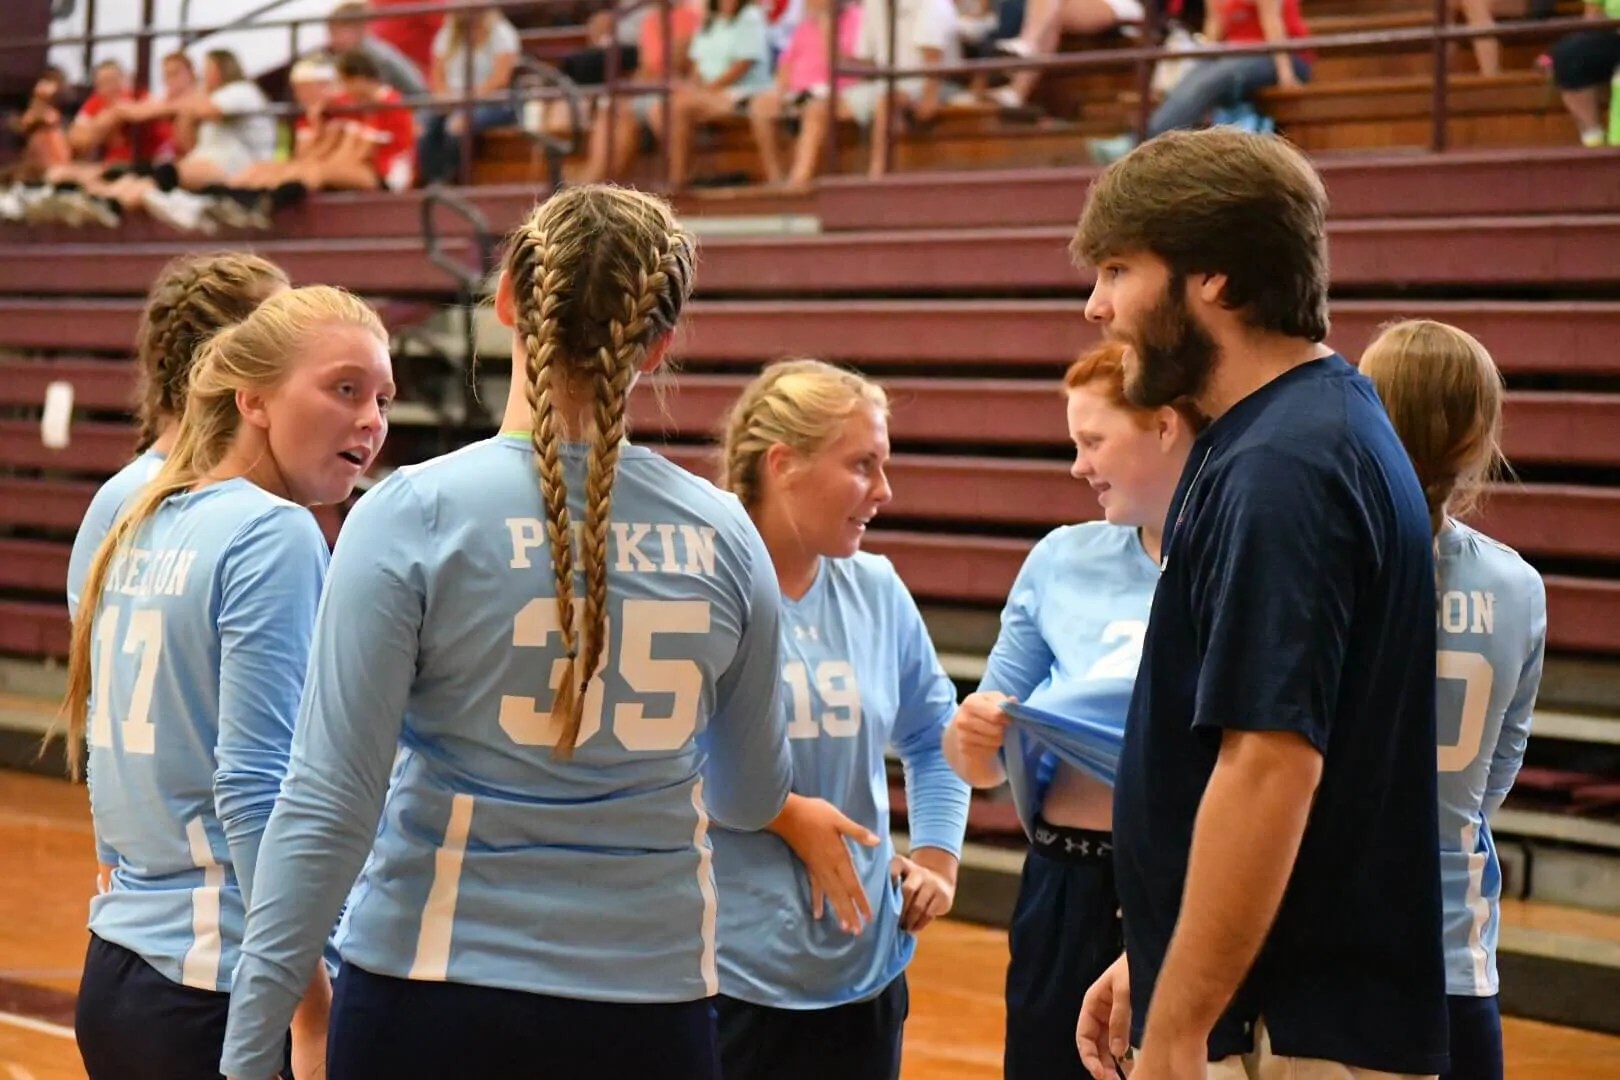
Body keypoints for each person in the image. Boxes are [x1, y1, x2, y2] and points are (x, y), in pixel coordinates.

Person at [220, 185, 793, 1080]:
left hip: (431, 989)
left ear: (509, 304)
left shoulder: (411, 513)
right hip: (650, 1009)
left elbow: (329, 804)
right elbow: (751, 799)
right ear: (660, 344)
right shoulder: (726, 535)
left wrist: (249, 1053)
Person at [1070, 127, 1448, 1080]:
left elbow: (1269, 768)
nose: (1097, 305)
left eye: (1119, 269)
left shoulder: (1285, 467)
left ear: (1219, 281)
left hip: (1290, 1034)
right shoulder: (1296, 432)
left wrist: (1180, 1026)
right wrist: (1159, 954)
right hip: (1274, 1006)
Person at [59, 285, 395, 1080]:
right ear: (253, 398)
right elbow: (254, 790)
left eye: (382, 397)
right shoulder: (270, 531)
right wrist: (307, 1002)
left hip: (120, 963)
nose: (371, 420)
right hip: (223, 980)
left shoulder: (148, 513)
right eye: (344, 389)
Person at [942, 339, 1199, 1079]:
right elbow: (980, 763)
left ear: (1164, 425)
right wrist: (973, 733)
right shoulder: (1061, 558)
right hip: (1063, 880)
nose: (1079, 465)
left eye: (1093, 441)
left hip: (1185, 881)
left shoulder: (1233, 559)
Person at [711, 359, 970, 1080]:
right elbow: (654, 758)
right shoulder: (699, 584)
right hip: (726, 974)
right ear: (784, 464)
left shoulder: (877, 589)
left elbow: (932, 734)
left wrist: (940, 858)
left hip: (865, 973)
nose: (884, 491)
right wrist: (787, 813)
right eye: (863, 465)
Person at [1359, 319, 1548, 1080]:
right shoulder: (1517, 585)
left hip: (1338, 952)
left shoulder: (1330, 563)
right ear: (1479, 442)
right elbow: (1502, 761)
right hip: (1455, 951)